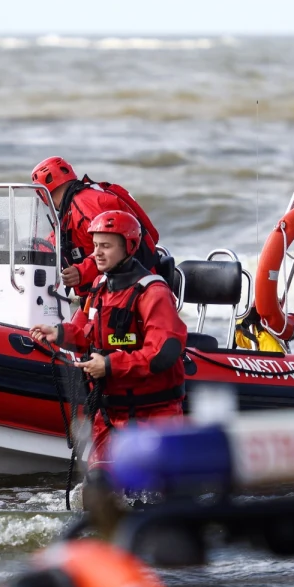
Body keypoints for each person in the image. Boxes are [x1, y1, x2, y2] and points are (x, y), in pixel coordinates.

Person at [29, 211, 187, 472]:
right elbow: (85, 332)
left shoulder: (153, 293)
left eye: (106, 246)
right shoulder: (100, 286)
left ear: (129, 247)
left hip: (152, 415)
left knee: (150, 489)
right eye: (95, 246)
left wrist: (110, 365)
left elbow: (162, 353)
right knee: (97, 486)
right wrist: (59, 334)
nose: (97, 254)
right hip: (110, 414)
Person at [30, 156, 157, 294]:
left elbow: (112, 246)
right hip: (112, 286)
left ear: (43, 193)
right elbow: (60, 238)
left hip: (134, 286)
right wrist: (31, 249)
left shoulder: (84, 204)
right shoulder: (74, 205)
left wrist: (81, 272)